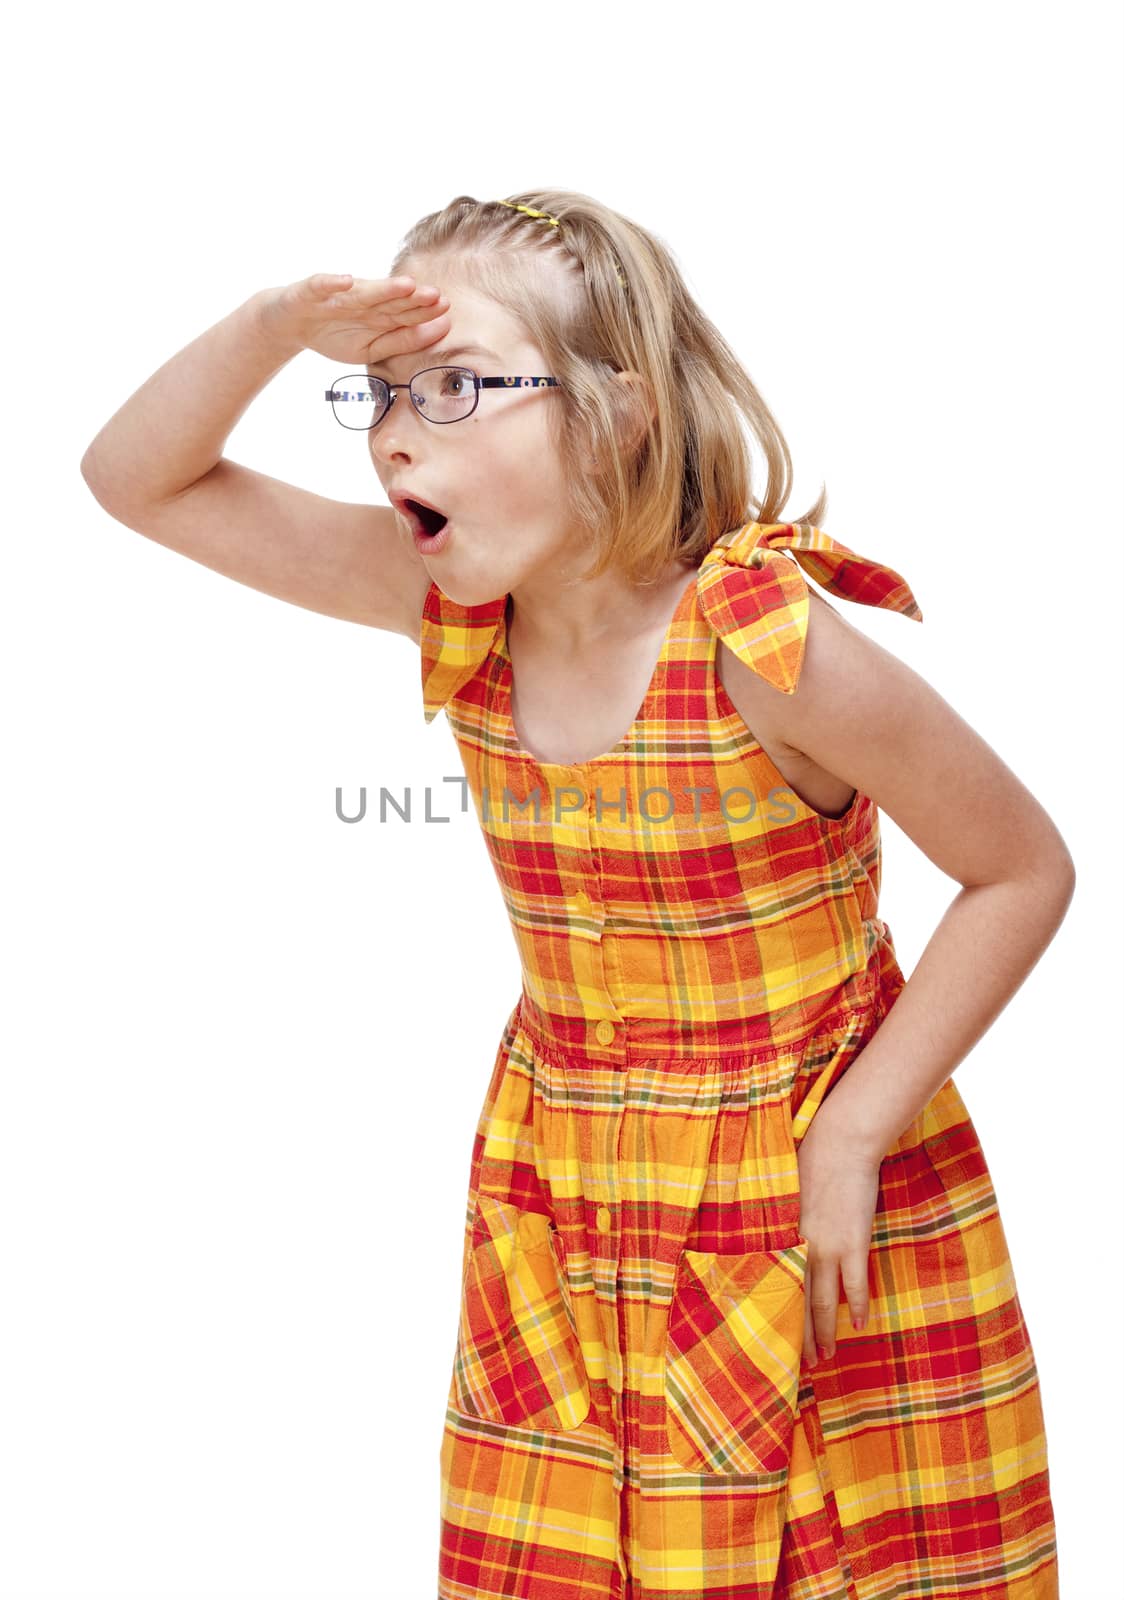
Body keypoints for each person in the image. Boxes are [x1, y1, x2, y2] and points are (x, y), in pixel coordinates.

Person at [80, 190, 1072, 1599]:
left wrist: (854, 1133)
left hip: (799, 1190)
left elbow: (1020, 868)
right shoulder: (457, 608)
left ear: (618, 416)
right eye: (375, 394)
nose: (396, 433)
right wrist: (274, 325)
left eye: (457, 387)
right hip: (563, 1195)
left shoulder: (766, 649)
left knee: (824, 1550)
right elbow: (137, 480)